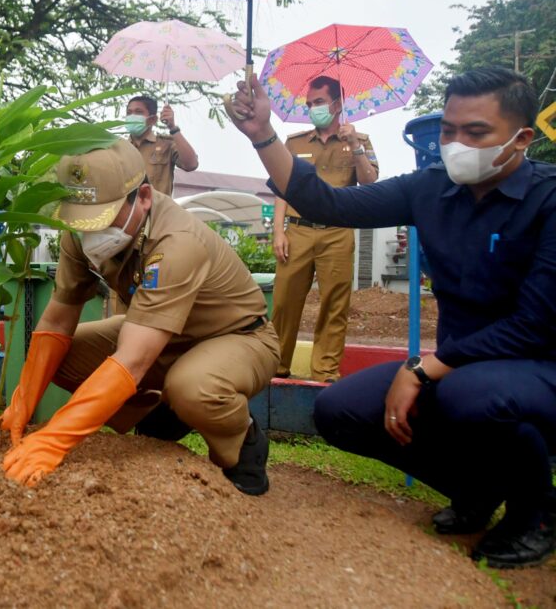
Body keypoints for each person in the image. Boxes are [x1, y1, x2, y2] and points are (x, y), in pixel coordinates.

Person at [226, 67, 556, 568]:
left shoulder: (548, 199)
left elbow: (535, 323)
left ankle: (538, 513)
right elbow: (327, 203)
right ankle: (476, 490)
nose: (457, 144)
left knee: (472, 397)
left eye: (476, 132)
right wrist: (263, 135)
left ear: (522, 138)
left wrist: (424, 368)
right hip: (460, 365)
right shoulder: (431, 188)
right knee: (339, 410)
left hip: (536, 366)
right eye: (449, 130)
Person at [0, 139, 279, 494]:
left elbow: (133, 359)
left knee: (192, 387)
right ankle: (159, 414)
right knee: (63, 356)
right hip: (158, 333)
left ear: (144, 197)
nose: (90, 231)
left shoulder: (178, 241)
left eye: (102, 218)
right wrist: (21, 405)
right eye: (80, 220)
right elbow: (57, 322)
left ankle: (243, 443)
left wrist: (54, 439)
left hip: (237, 337)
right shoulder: (80, 235)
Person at [271, 76, 379, 382]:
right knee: (284, 302)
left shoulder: (359, 141)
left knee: (335, 303)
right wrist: (278, 231)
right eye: (309, 104)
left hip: (337, 231)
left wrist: (355, 145)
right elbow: (281, 188)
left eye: (318, 102)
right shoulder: (295, 143)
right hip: (297, 230)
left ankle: (325, 372)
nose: (313, 108)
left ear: (337, 104)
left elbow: (370, 182)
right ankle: (276, 367)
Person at [125, 95, 198, 196]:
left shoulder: (166, 144)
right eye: (129, 113)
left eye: (139, 112)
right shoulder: (119, 148)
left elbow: (191, 164)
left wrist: (172, 128)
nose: (132, 117)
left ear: (153, 119)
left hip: (157, 206)